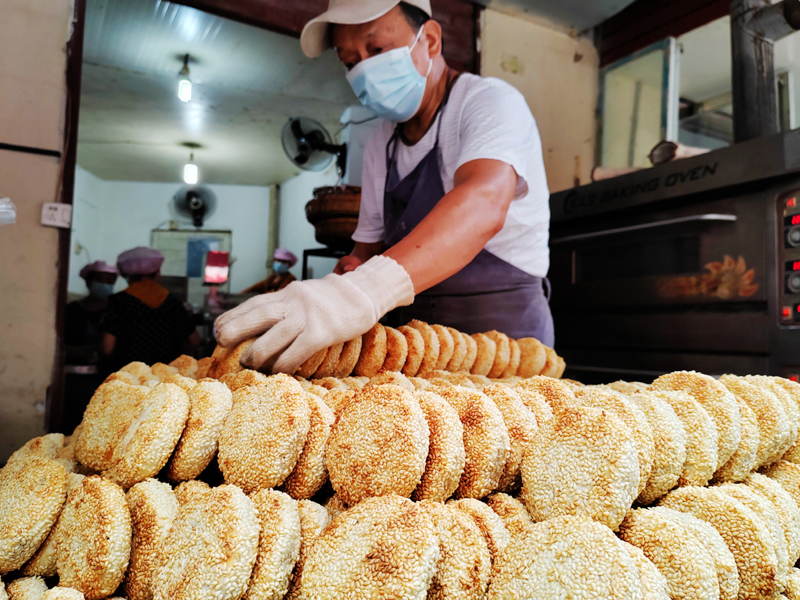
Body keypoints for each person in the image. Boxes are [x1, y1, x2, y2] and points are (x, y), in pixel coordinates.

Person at [215, 0, 552, 374]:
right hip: (418, 345)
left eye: (377, 49)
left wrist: (362, 292)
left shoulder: (487, 102)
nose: (364, 70)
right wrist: (349, 275)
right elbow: (368, 250)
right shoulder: (381, 143)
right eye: (350, 61)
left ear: (431, 40)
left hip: (504, 337)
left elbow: (484, 202)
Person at [103, 246, 200, 370]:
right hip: (165, 377)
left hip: (128, 377)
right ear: (157, 272)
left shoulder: (118, 302)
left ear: (125, 274)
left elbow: (107, 348)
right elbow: (194, 341)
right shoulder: (173, 302)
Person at [65, 260, 118, 365]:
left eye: (109, 281)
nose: (104, 284)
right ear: (88, 282)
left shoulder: (116, 310)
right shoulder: (72, 310)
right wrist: (77, 352)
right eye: (99, 280)